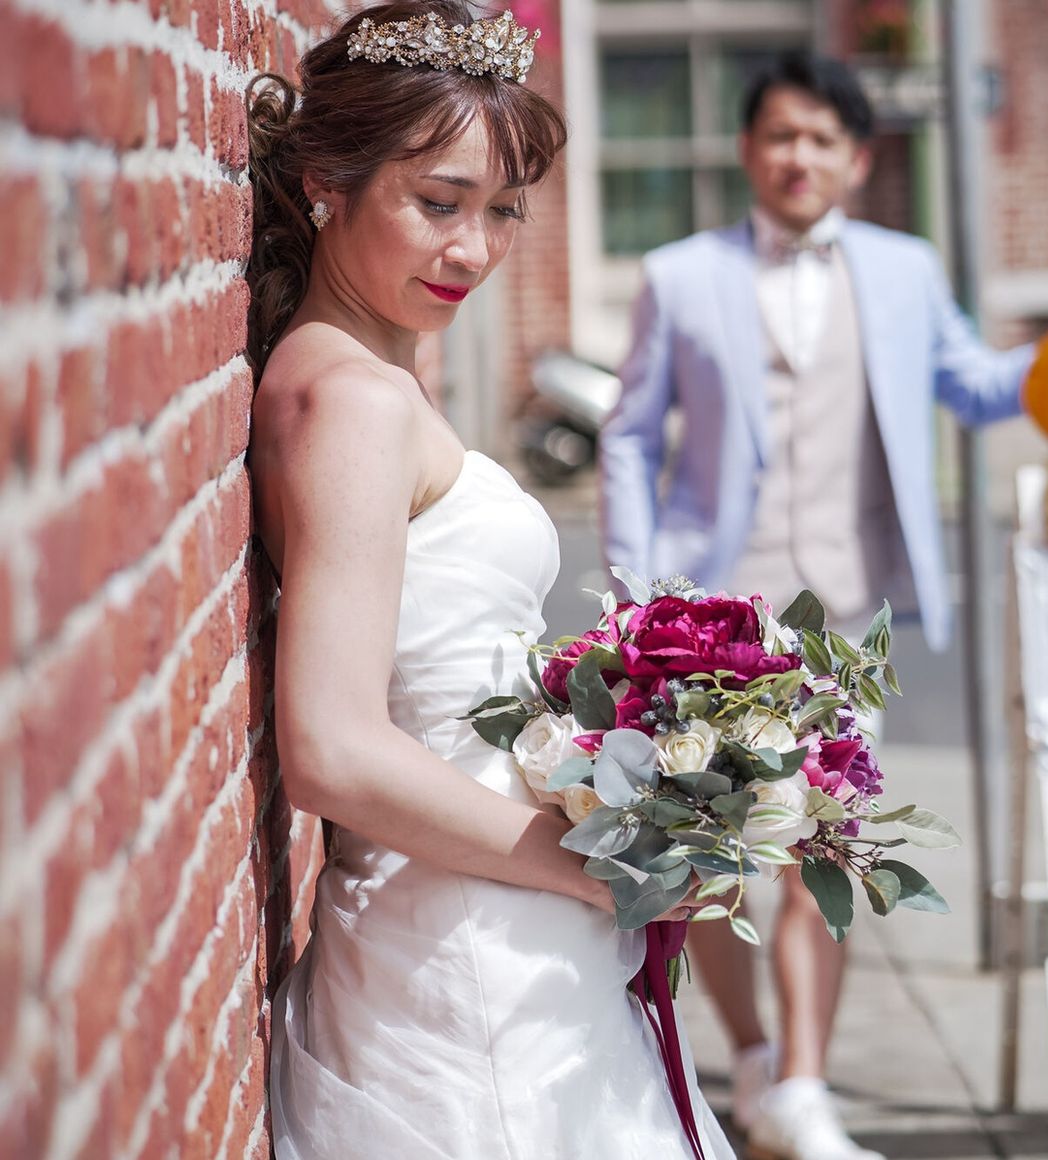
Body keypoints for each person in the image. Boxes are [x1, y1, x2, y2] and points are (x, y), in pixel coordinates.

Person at [598, 50, 1048, 1160]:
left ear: (856, 160)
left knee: (823, 846)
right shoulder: (679, 275)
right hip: (709, 622)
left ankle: (806, 1085)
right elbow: (627, 435)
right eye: (779, 135)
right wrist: (634, 586)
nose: (797, 156)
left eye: (821, 139)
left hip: (845, 625)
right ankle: (755, 1062)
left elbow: (974, 384)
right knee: (708, 857)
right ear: (748, 149)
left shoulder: (905, 270)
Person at [246, 5, 735, 1157]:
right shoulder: (350, 402)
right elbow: (331, 747)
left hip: (485, 913)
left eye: (504, 209)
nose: (472, 249)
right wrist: (598, 867)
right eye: (438, 202)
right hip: (462, 953)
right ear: (325, 181)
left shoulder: (374, 373)